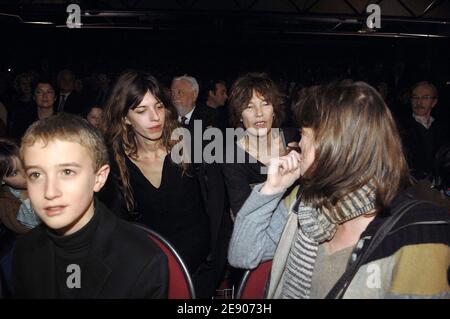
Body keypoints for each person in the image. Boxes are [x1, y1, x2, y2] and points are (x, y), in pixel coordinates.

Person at [228, 81, 450, 299]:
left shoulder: (419, 233)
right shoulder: (303, 201)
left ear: (336, 145)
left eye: (304, 134)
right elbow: (243, 255)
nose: (298, 143)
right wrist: (271, 189)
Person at [100, 70, 230, 298]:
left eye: (159, 106)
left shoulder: (192, 143)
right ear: (125, 118)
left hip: (200, 268)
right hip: (149, 269)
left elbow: (223, 194)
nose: (154, 117)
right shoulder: (116, 161)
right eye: (142, 110)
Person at [12, 113, 168, 298]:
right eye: (36, 175)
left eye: (67, 172)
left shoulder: (142, 261)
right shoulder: (24, 250)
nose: (49, 192)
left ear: (99, 178)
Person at [222, 72, 289, 217]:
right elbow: (244, 215)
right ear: (239, 114)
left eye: (265, 104)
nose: (259, 113)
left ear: (274, 110)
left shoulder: (295, 140)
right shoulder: (232, 158)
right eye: (249, 107)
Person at [0, 138, 40, 234]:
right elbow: (28, 230)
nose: (25, 173)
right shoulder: (7, 205)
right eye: (14, 173)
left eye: (24, 164)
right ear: (1, 180)